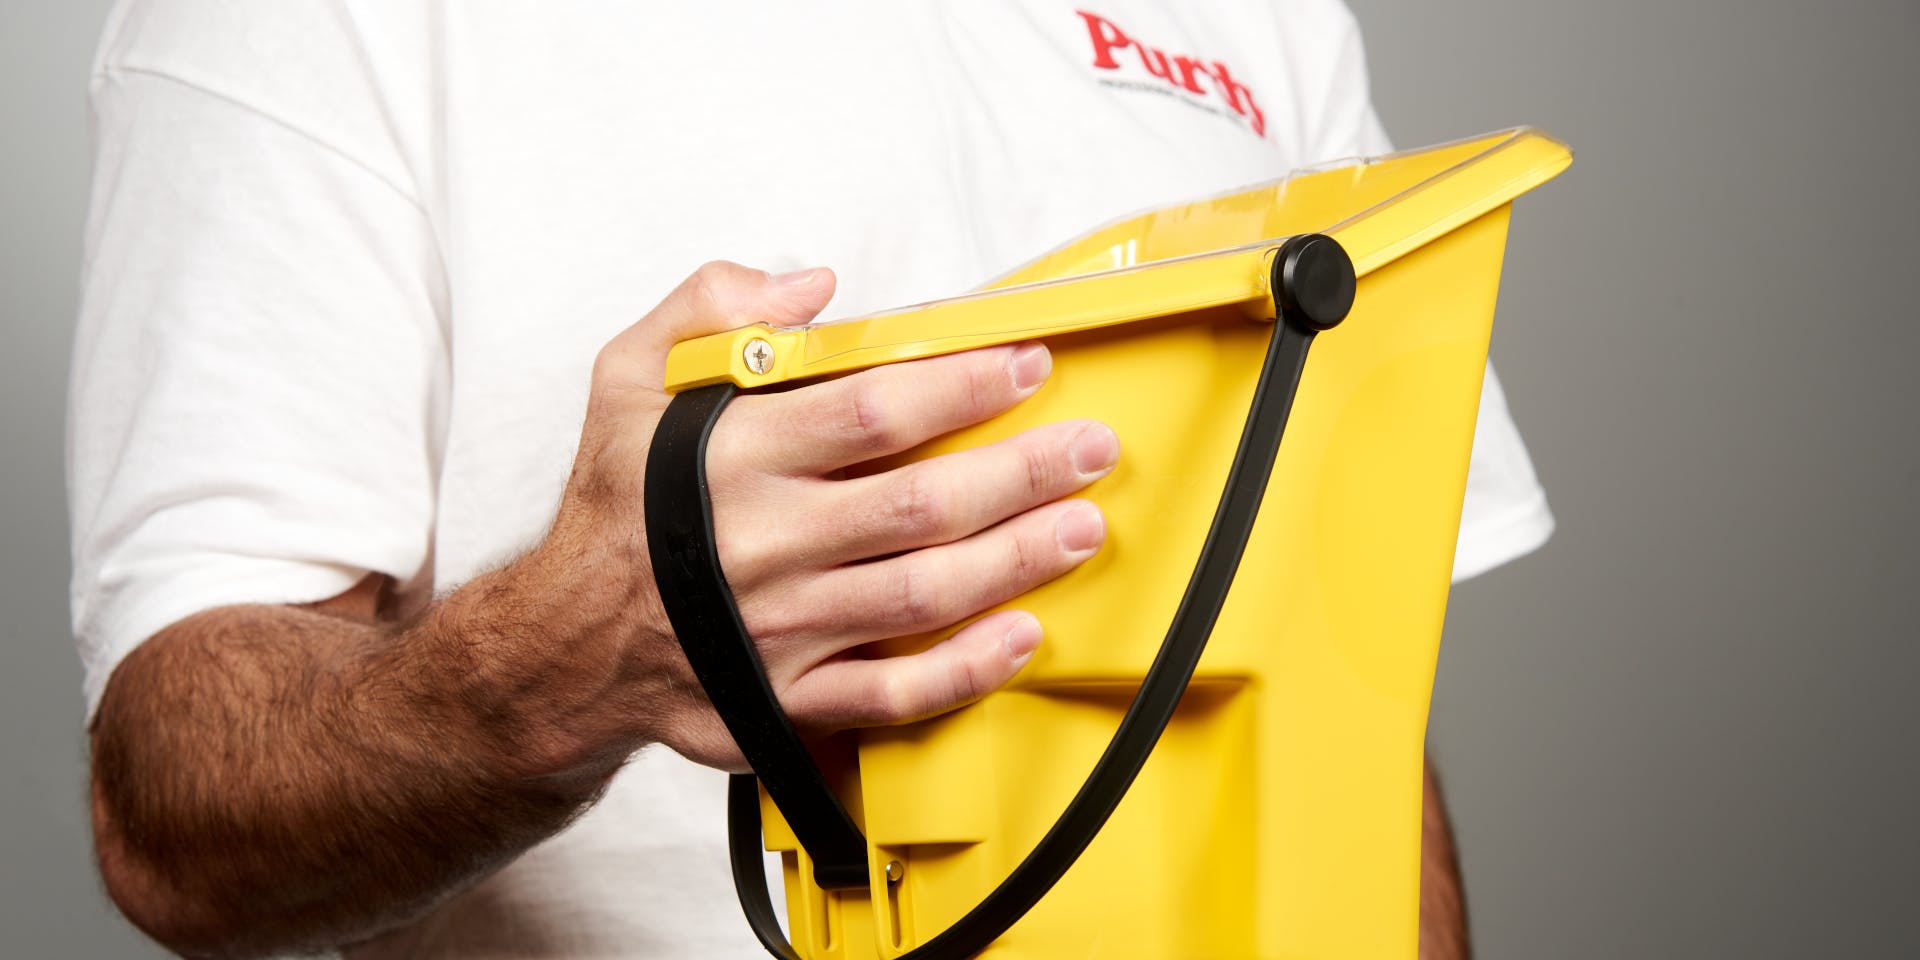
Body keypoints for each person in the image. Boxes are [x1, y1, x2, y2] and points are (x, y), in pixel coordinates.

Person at [69, 2, 1549, 957]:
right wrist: (571, 662)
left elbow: (1348, 691)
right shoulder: (305, 21)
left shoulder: (1266, 20)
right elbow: (170, 820)